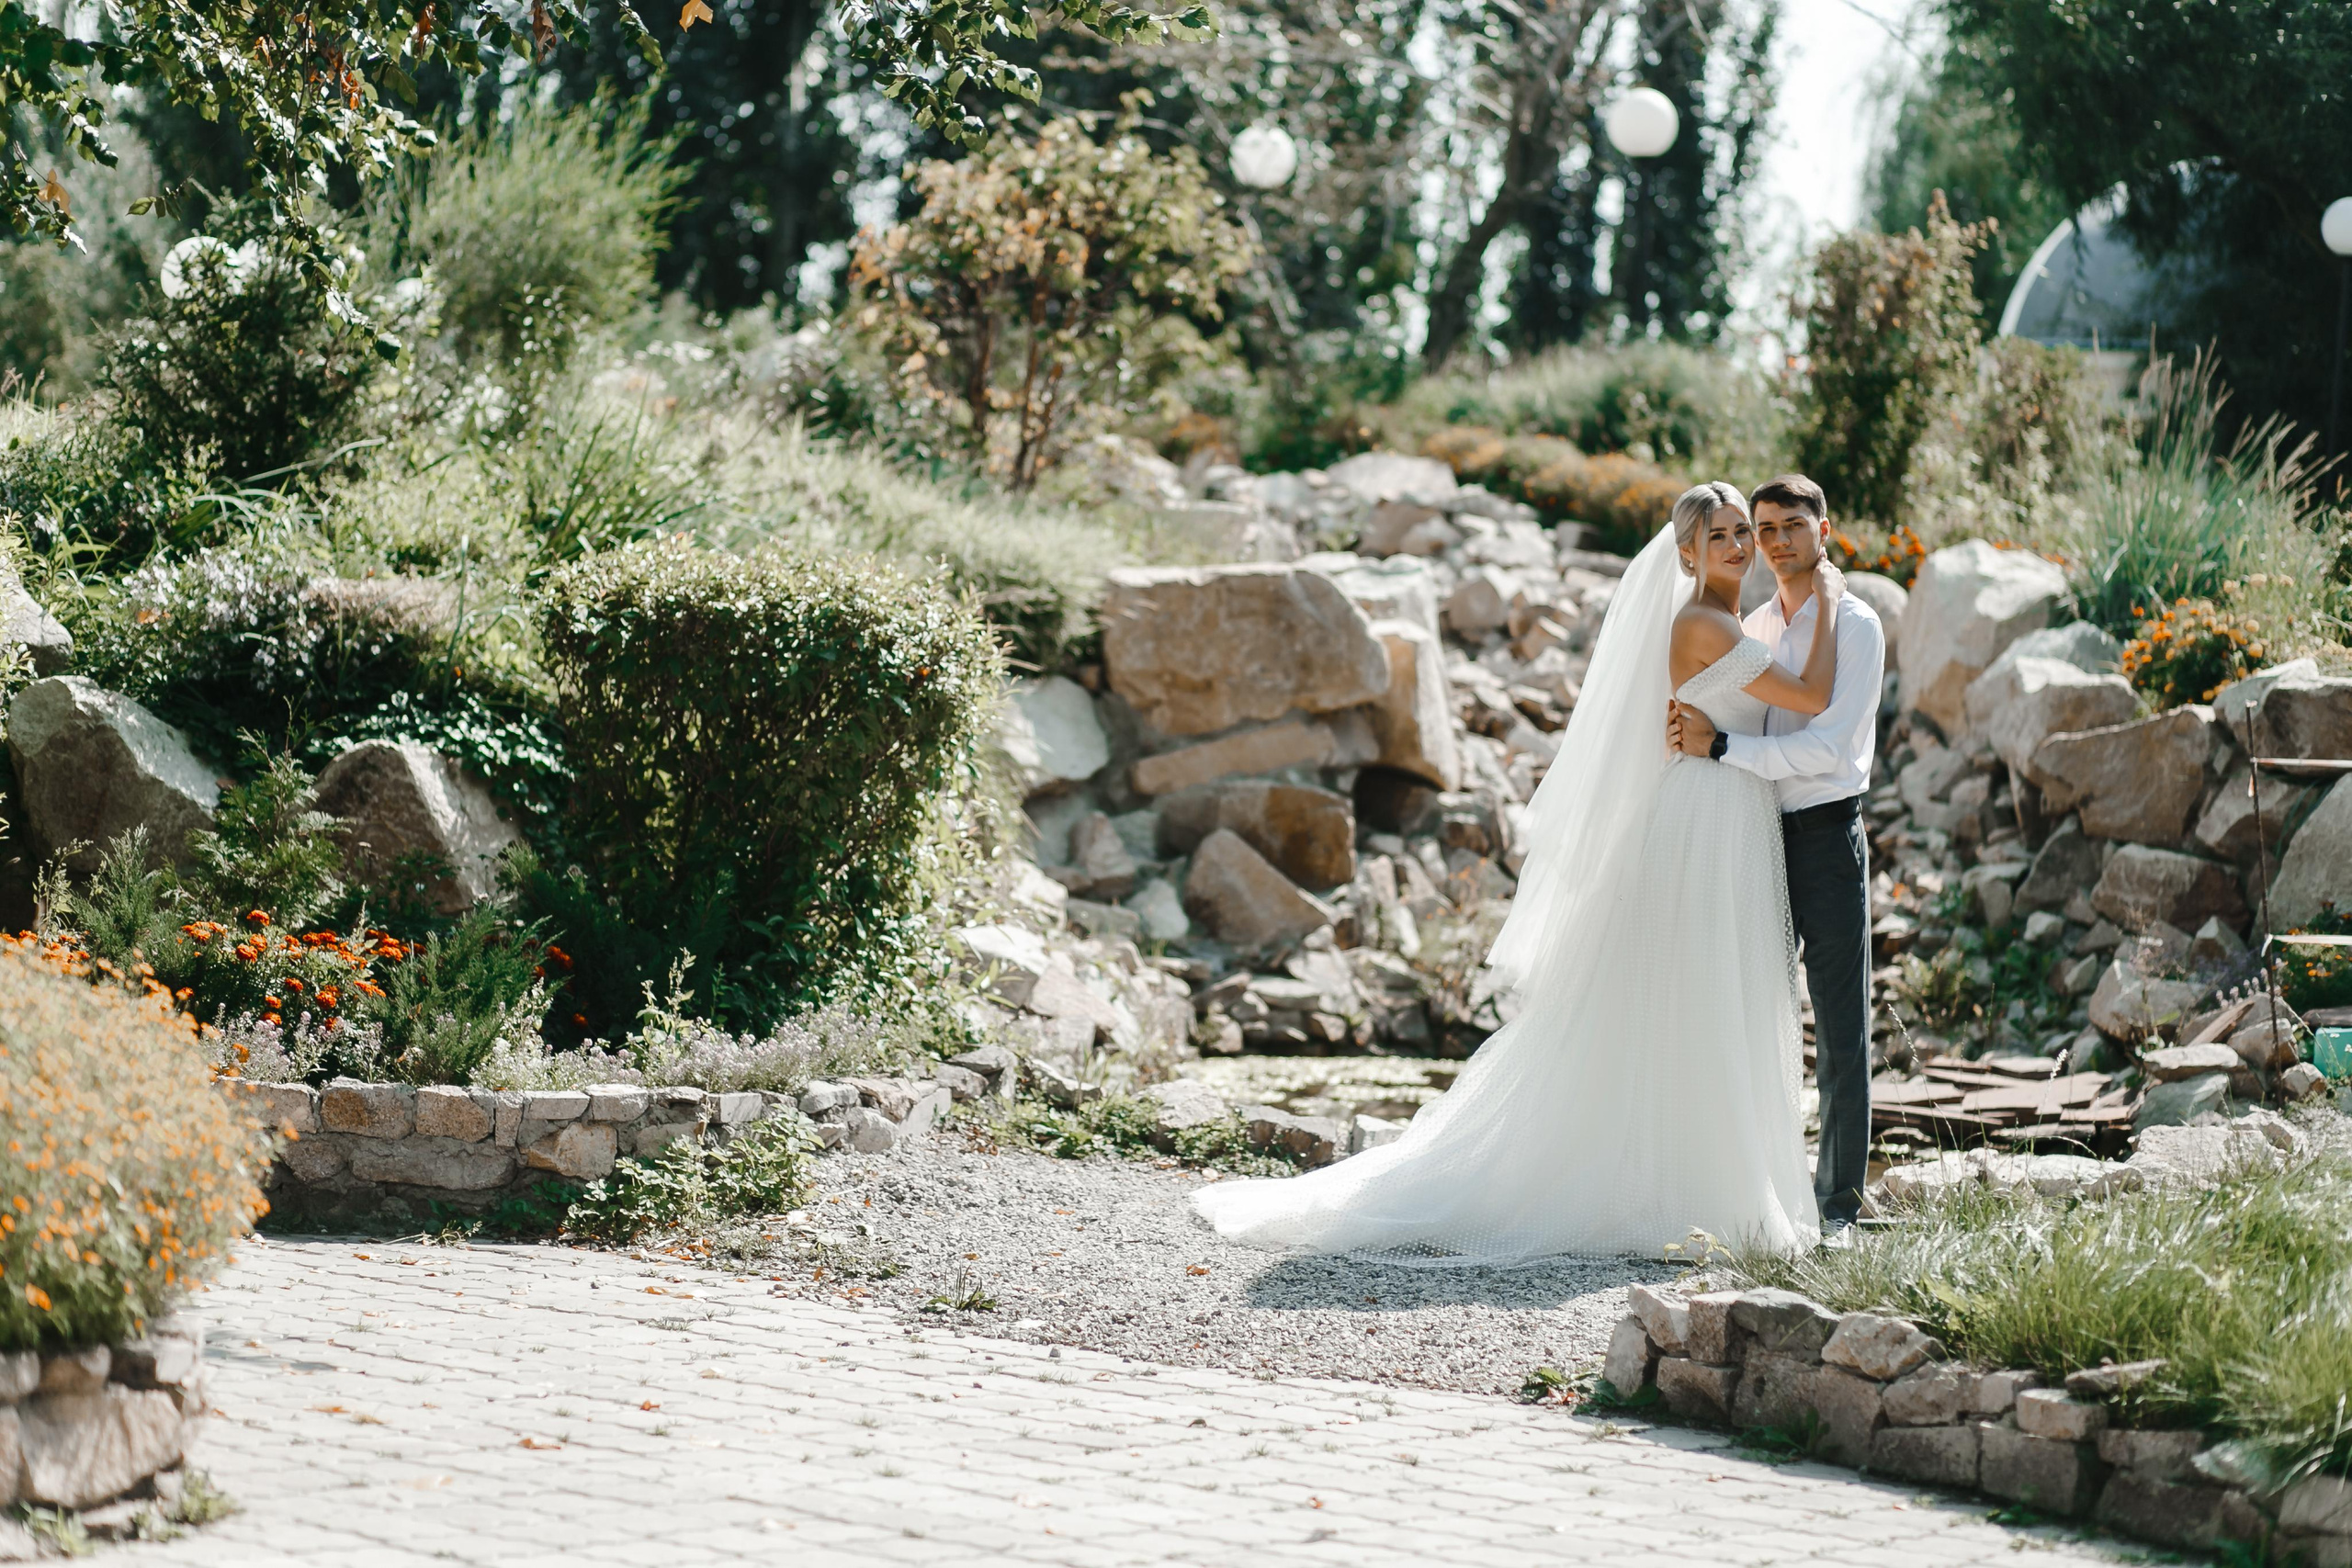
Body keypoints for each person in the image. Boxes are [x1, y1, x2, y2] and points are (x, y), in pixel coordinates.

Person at [1190, 482, 1842, 1263]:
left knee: (1713, 998)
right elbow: (1812, 694)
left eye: (1741, 531)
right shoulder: (1704, 621)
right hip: (1707, 818)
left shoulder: (1732, 619)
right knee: (1702, 997)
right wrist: (1830, 596)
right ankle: (1697, 1197)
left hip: (1726, 810)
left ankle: (1698, 1186)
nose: (1737, 546)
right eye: (1719, 537)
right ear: (1686, 554)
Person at [1668, 474, 1884, 1235]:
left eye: (1793, 524)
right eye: (1764, 529)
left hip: (1824, 835)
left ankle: (1837, 1211)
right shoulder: (1751, 623)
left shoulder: (1856, 625)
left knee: (1840, 1029)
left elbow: (1829, 745)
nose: (1775, 540)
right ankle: (1753, 1192)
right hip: (1750, 836)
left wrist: (1721, 747)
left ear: (1824, 531)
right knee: (1749, 1015)